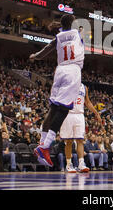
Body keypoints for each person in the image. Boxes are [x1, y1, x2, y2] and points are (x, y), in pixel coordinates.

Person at [31, 15, 84, 167]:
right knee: (64, 109)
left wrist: (35, 56)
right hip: (73, 70)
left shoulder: (58, 37)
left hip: (59, 71)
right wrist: (60, 24)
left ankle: (41, 142)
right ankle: (45, 146)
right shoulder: (77, 33)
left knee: (53, 109)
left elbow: (44, 51)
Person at [59, 83, 102, 173]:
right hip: (68, 114)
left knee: (80, 140)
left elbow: (87, 102)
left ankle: (81, 163)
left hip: (80, 115)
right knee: (69, 141)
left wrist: (96, 113)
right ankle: (68, 164)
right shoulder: (66, 84)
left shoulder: (84, 87)